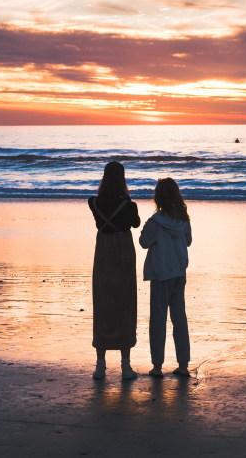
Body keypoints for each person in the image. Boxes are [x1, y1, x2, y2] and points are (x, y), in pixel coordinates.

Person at [88, 161, 140, 380]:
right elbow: (135, 224)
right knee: (124, 304)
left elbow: (100, 223)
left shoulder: (93, 202)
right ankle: (125, 366)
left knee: (103, 303)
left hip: (103, 251)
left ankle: (100, 365)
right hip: (123, 250)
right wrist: (127, 201)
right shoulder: (129, 205)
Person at [139, 177, 192, 377]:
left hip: (161, 273)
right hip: (179, 271)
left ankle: (157, 366)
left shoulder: (155, 222)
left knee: (158, 320)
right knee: (179, 318)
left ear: (158, 197)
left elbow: (144, 242)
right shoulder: (183, 219)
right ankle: (183, 364)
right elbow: (188, 241)